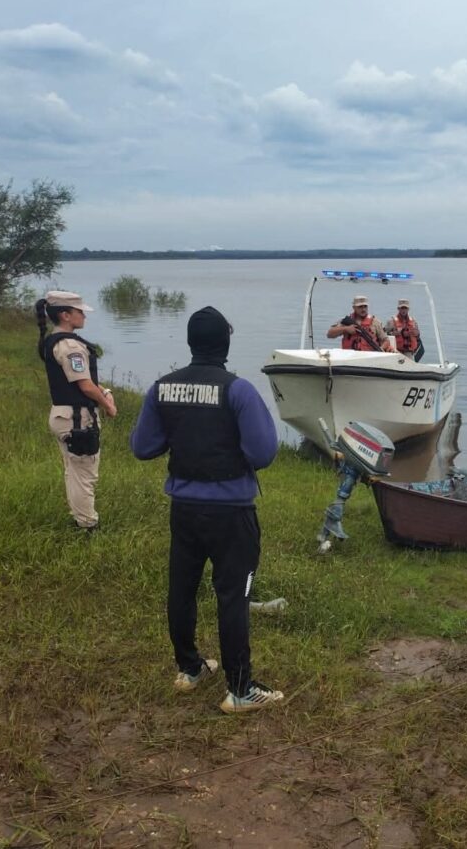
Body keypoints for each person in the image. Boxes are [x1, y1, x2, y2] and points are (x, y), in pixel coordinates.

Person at [129, 306, 284, 714]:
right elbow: (264, 453)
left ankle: (190, 668)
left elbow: (143, 447)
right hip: (231, 513)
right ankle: (240, 689)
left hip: (184, 509)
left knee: (182, 589)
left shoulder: (162, 388)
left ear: (190, 342)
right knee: (233, 596)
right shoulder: (238, 390)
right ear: (226, 344)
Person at [35, 290, 118, 532]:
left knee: (74, 470)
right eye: (79, 312)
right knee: (84, 474)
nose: (84, 316)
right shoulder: (70, 346)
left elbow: (84, 381)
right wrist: (108, 405)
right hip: (77, 419)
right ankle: (88, 525)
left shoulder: (54, 340)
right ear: (65, 315)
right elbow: (85, 386)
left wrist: (103, 391)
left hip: (65, 416)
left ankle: (79, 518)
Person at [326, 294, 392, 351]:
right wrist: (346, 329)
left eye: (365, 306)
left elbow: (386, 340)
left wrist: (380, 349)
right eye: (360, 307)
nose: (363, 309)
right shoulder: (346, 321)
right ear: (354, 308)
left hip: (369, 356)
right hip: (350, 356)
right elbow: (329, 334)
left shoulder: (375, 322)